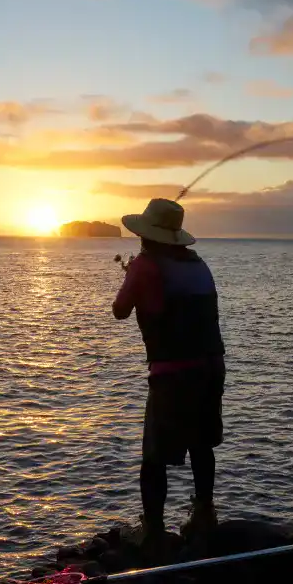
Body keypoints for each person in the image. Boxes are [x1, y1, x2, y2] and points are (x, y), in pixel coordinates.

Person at [112, 198, 226, 551]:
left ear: (145, 235)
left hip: (173, 373)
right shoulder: (199, 264)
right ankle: (204, 517)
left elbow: (120, 311)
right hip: (211, 366)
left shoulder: (144, 266)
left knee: (155, 455)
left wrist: (133, 272)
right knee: (201, 444)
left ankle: (153, 530)